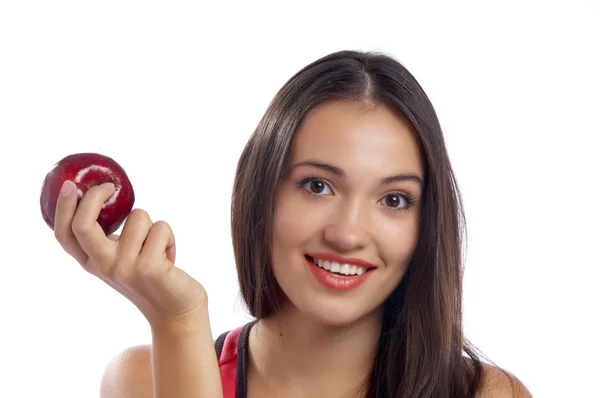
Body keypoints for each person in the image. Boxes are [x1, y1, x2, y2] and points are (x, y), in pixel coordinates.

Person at [53, 50, 532, 397]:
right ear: (261, 193)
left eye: (393, 198)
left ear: (425, 225)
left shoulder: (484, 394)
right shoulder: (143, 381)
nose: (347, 234)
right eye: (317, 186)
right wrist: (178, 322)